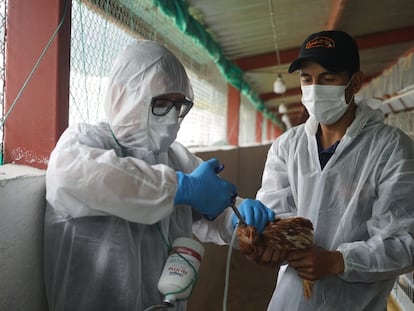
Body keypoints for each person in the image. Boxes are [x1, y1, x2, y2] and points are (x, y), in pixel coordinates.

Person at [43, 40, 274, 311]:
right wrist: (178, 188)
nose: (172, 116)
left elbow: (211, 211)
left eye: (179, 106)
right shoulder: (87, 142)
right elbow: (74, 176)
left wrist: (237, 220)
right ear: (122, 94)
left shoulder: (176, 157)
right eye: (162, 103)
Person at [236, 30, 414, 310]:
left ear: (354, 83)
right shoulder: (287, 147)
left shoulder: (390, 148)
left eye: (328, 78)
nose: (315, 88)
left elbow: (404, 241)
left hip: (354, 304)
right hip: (290, 301)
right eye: (307, 79)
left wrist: (338, 261)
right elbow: (277, 215)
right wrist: (267, 245)